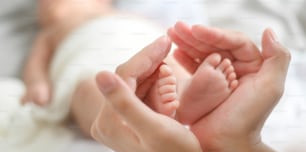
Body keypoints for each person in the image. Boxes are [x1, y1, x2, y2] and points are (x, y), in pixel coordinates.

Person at [90, 23, 306, 152]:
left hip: (91, 42)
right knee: (159, 65)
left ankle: (176, 97)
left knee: (94, 88)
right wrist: (236, 145)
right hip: (120, 30)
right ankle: (181, 95)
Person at [21, 0, 239, 139]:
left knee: (166, 63)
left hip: (135, 39)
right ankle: (117, 113)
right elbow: (36, 66)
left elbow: (159, 32)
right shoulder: (49, 34)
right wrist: (37, 85)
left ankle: (189, 94)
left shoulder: (120, 13)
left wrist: (185, 46)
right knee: (88, 90)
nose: (49, 5)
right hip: (86, 56)